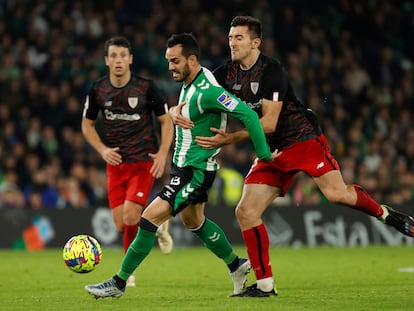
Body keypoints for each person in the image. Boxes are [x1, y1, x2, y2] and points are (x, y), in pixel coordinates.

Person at [172, 16, 414, 298]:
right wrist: (176, 109)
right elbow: (196, 86)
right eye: (230, 37)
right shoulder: (225, 73)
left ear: (255, 42)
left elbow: (270, 122)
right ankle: (265, 286)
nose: (232, 43)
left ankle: (385, 214)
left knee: (336, 194)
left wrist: (229, 138)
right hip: (270, 150)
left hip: (302, 139)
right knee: (246, 212)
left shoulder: (272, 70)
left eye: (239, 38)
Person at [84, 32, 280, 299]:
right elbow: (188, 110)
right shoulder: (194, 80)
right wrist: (175, 112)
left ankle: (118, 283)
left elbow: (247, 114)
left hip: (194, 172)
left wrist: (265, 154)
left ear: (192, 59)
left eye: (175, 61)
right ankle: (237, 265)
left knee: (148, 219)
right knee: (194, 222)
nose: (170, 67)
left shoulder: (208, 91)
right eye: (168, 61)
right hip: (185, 169)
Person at [81, 36, 174, 287]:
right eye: (114, 55)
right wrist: (102, 150)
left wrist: (163, 153)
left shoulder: (146, 87)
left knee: (132, 217)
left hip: (143, 161)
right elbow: (86, 125)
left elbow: (167, 121)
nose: (118, 60)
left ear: (130, 59)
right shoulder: (98, 89)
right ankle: (158, 222)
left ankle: (126, 272)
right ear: (107, 61)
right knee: (121, 224)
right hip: (115, 164)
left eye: (123, 55)